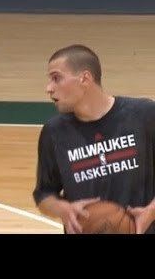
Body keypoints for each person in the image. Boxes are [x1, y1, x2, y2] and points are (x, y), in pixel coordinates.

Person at [33, 44, 155, 234]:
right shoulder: (54, 132)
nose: (49, 88)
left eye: (56, 78)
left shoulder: (144, 115)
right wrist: (62, 209)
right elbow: (44, 194)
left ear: (85, 78)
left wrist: (151, 212)